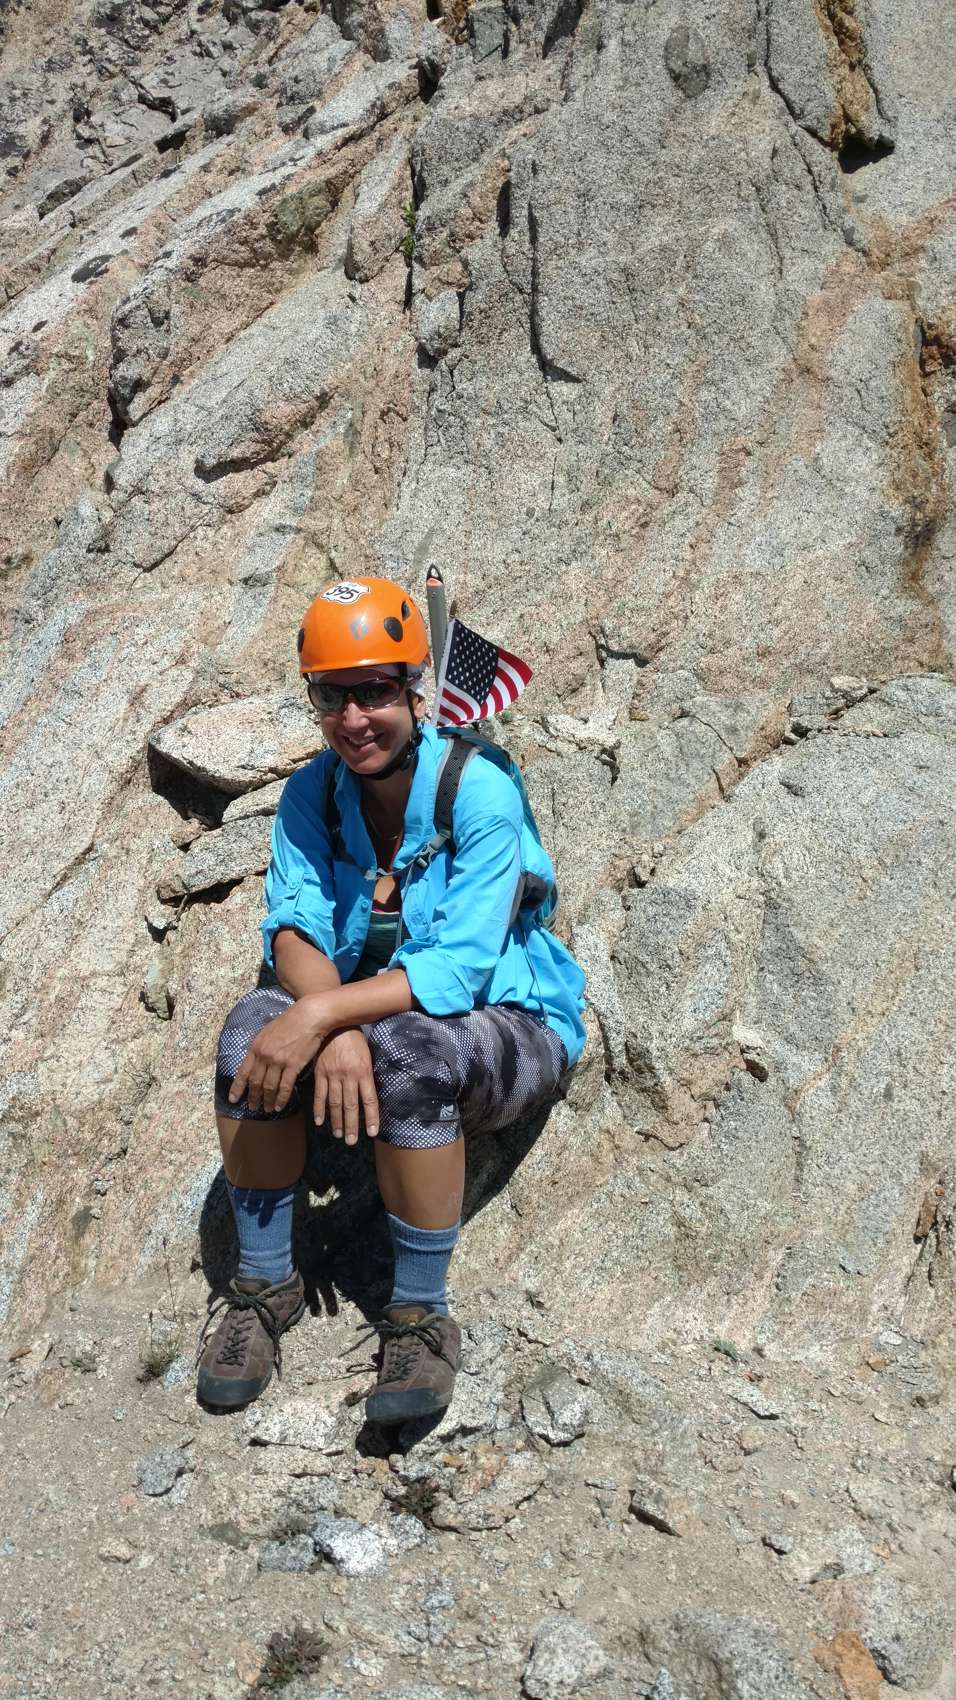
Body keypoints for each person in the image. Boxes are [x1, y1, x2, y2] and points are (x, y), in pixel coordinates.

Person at [197, 576, 586, 1422]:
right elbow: (292, 931)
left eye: (374, 690)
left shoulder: (479, 790)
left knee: (408, 1054)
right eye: (330, 696)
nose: (353, 718)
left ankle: (419, 1317)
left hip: (510, 1020)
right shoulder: (312, 795)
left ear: (415, 690)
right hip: (361, 1011)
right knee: (246, 1037)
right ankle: (263, 1286)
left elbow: (459, 970)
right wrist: (330, 1025)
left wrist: (325, 1015)